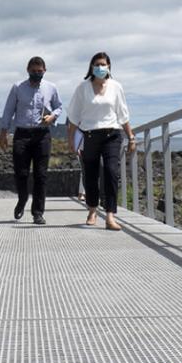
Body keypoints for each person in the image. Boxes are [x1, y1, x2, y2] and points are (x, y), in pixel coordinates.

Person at [66, 52, 134, 231]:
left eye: (103, 64)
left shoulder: (116, 87)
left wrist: (131, 137)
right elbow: (73, 116)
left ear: (109, 66)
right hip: (90, 135)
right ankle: (92, 210)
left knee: (112, 172)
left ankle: (110, 215)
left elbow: (123, 114)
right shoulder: (83, 88)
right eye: (97, 64)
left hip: (112, 134)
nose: (100, 67)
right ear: (91, 67)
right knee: (91, 174)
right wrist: (71, 139)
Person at [0, 56, 63, 225]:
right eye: (33, 71)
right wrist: (4, 132)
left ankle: (38, 213)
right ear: (28, 70)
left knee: (41, 175)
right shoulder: (18, 87)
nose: (36, 74)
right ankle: (22, 198)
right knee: (22, 173)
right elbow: (8, 110)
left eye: (39, 71)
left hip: (42, 135)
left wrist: (52, 117)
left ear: (44, 71)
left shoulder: (51, 87)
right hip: (22, 134)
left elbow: (59, 107)